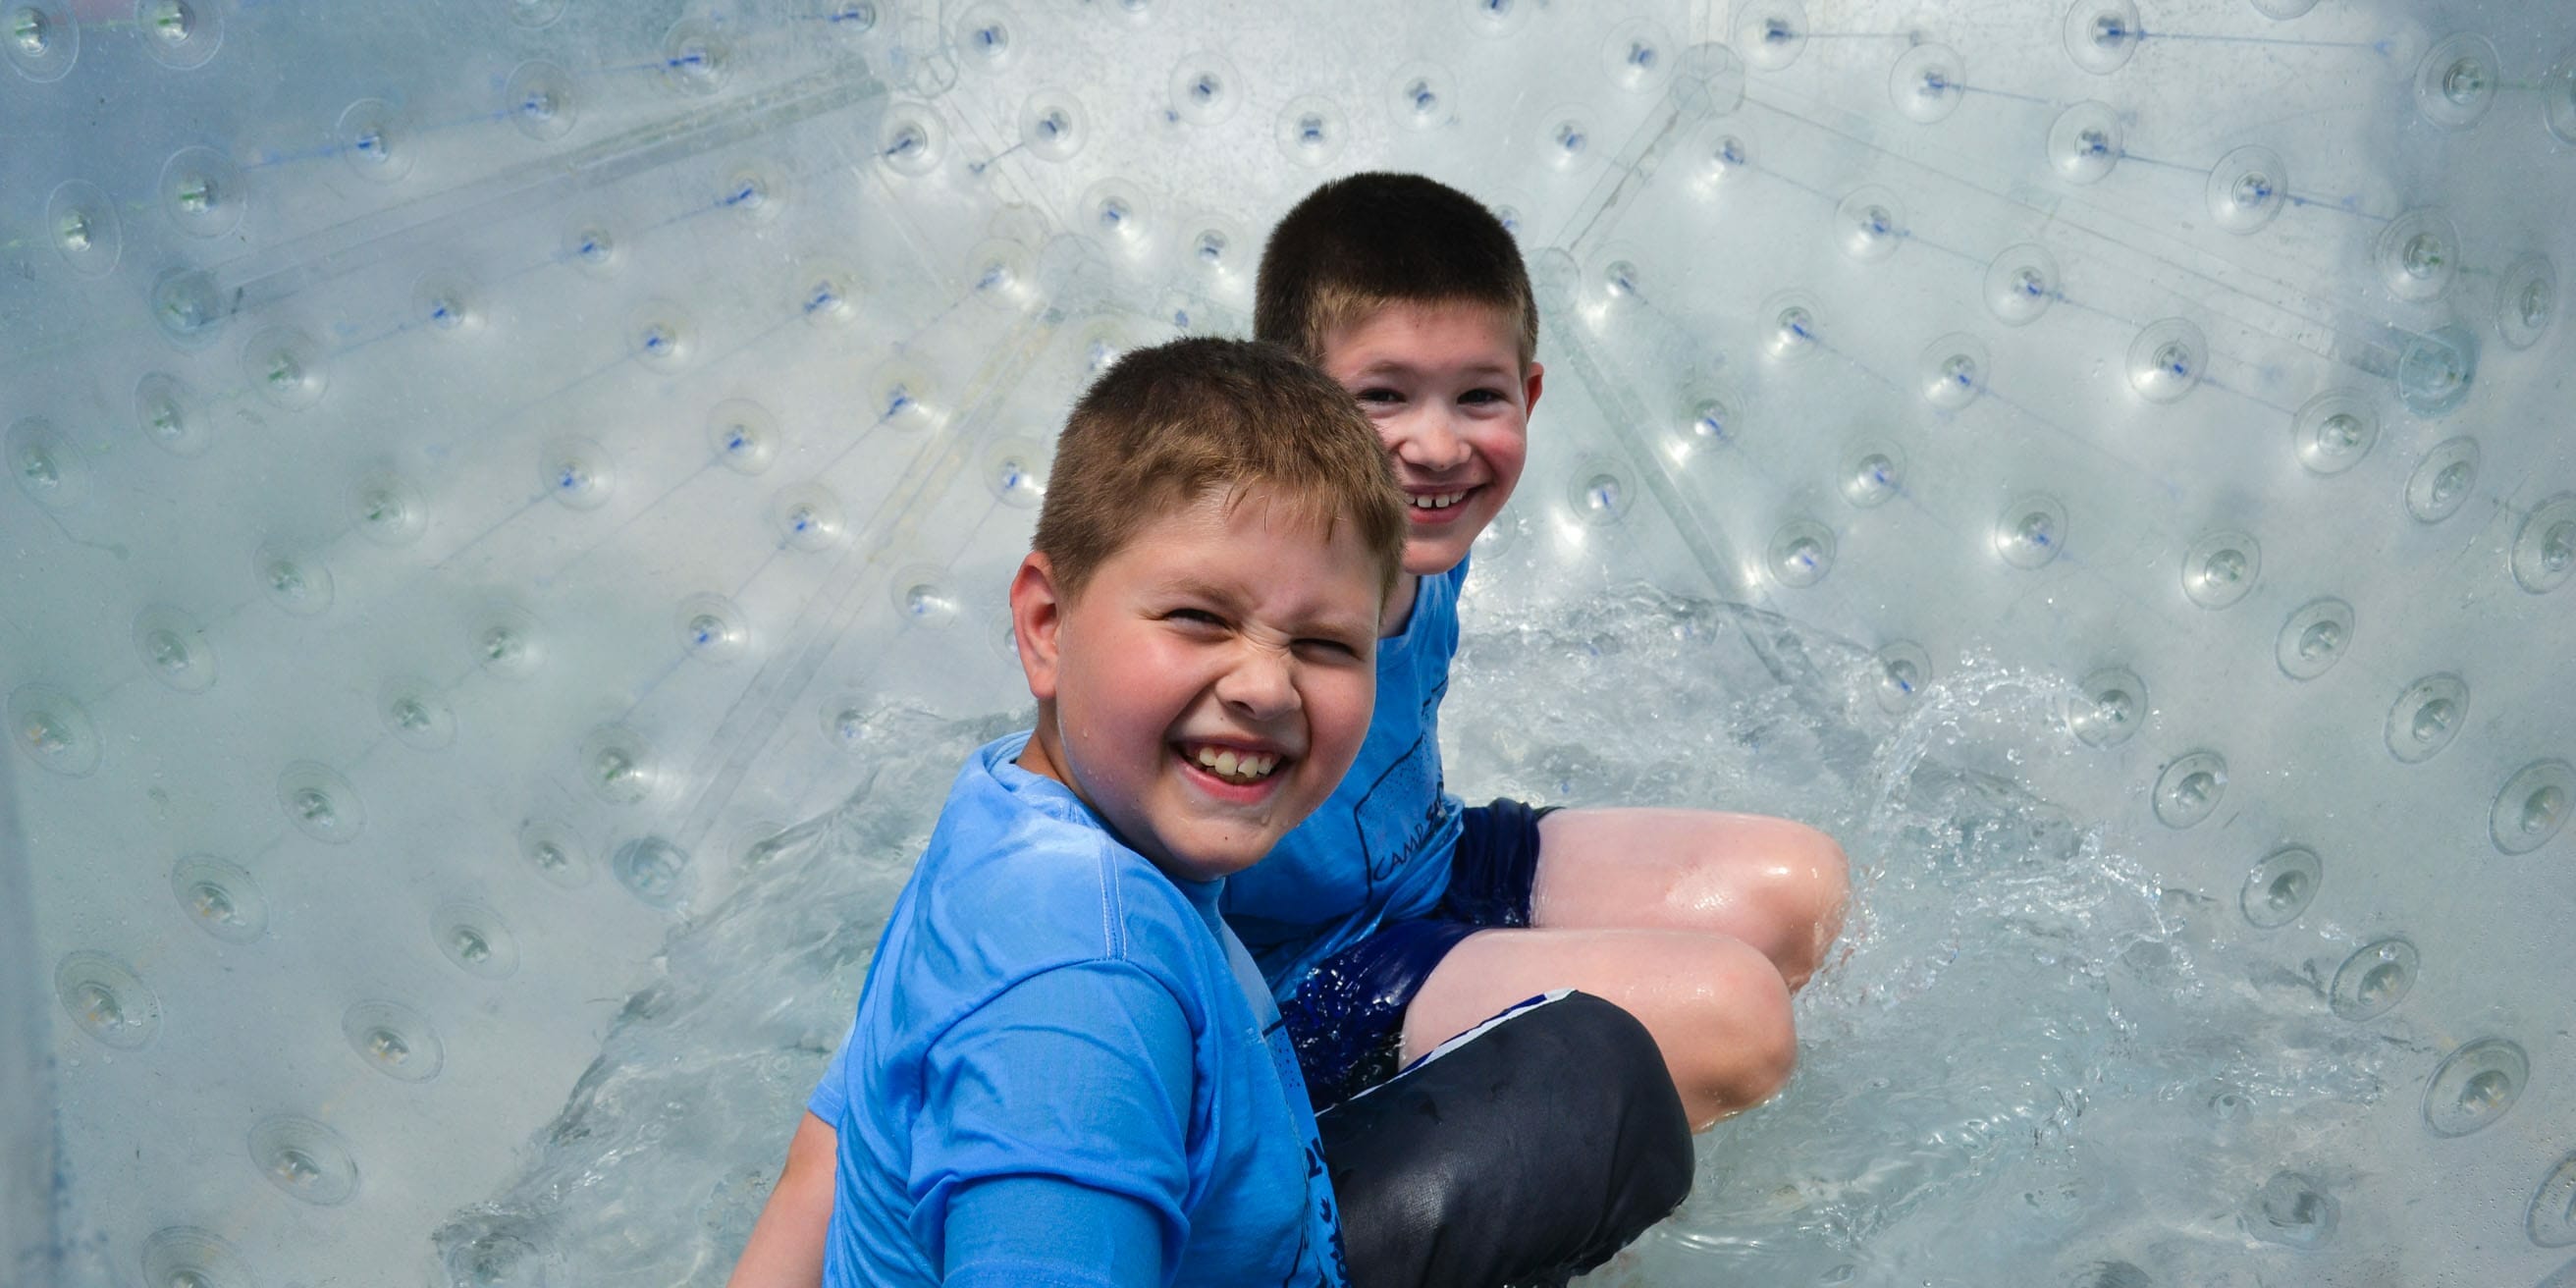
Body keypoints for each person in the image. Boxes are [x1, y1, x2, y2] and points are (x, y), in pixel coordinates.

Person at [727, 337, 1693, 1288]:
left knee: (1586, 1070)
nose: (1264, 686)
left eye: (1324, 644)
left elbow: (826, 1155)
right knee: (1608, 1103)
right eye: (1199, 618)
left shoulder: (1008, 808)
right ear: (1046, 625)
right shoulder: (1083, 996)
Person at [1230, 172, 1852, 1127]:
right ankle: (1459, 1177)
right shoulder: (1248, 600)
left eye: (1477, 396)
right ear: (1288, 403)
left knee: (1799, 891)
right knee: (1733, 1019)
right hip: (1309, 980)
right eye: (1383, 395)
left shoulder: (1423, 529)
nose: (1438, 446)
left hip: (1429, 865)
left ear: (1528, 394)